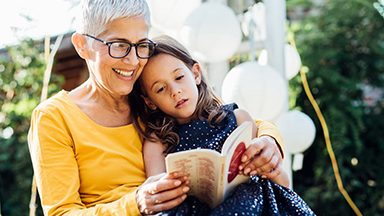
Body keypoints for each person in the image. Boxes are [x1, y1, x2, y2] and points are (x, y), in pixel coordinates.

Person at [28, 0, 286, 215]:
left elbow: (223, 117)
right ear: (82, 45)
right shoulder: (54, 117)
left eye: (141, 45)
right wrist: (135, 203)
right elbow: (62, 213)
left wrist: (269, 140)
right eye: (118, 45)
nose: (132, 61)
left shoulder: (156, 95)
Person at [130, 35, 315, 215]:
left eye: (179, 78)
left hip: (256, 206)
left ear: (195, 74)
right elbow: (159, 203)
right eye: (160, 89)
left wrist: (272, 169)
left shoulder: (238, 119)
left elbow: (283, 186)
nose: (175, 91)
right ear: (149, 102)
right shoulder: (157, 142)